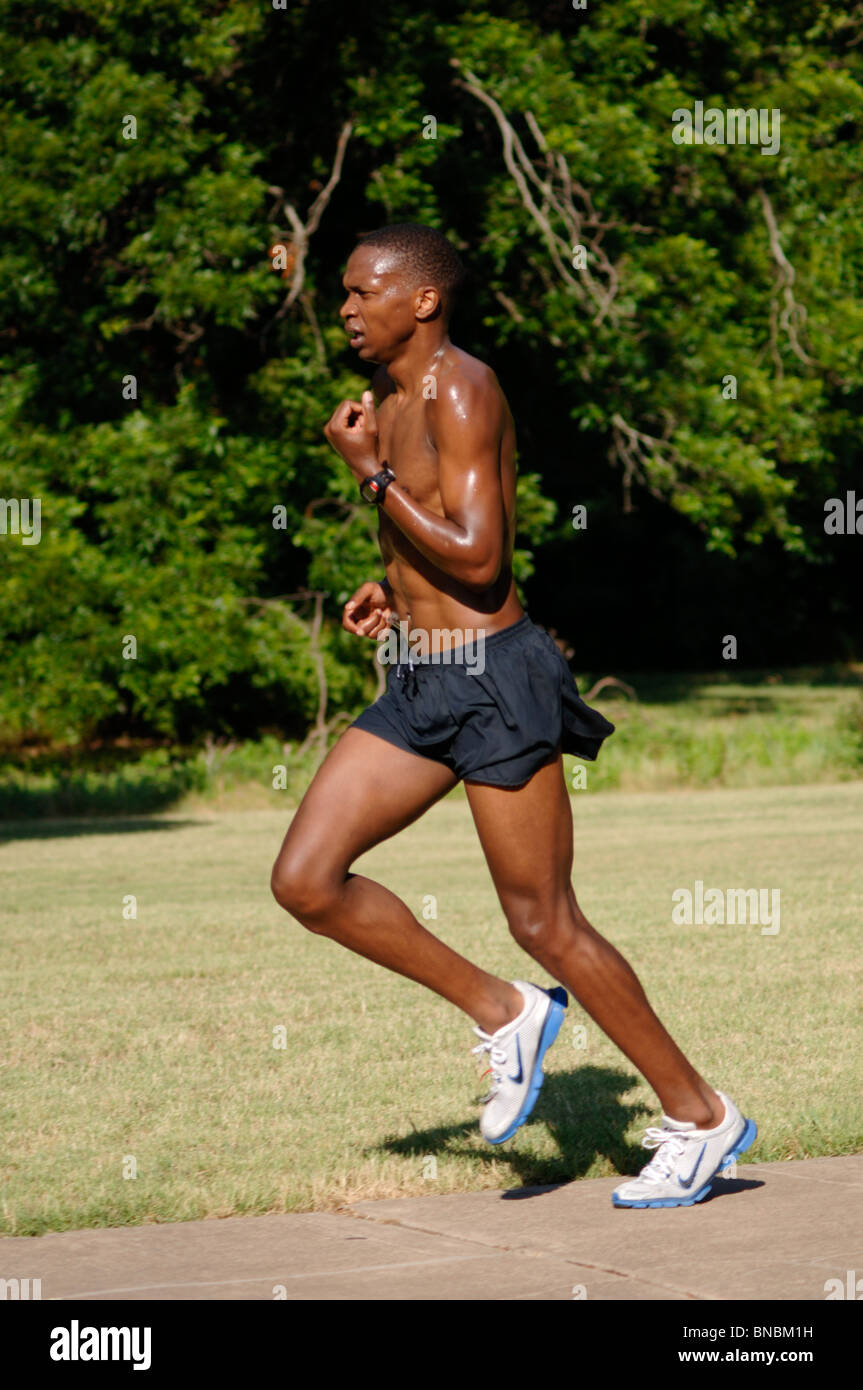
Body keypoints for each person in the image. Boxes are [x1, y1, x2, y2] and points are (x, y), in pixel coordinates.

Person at [270, 223, 756, 1208]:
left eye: (363, 291)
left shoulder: (461, 386)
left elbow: (482, 554)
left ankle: (701, 1117)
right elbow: (433, 543)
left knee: (543, 917)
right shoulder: (397, 399)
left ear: (421, 302)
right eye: (343, 292)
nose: (345, 308)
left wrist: (365, 473)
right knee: (306, 880)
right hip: (418, 676)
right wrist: (390, 590)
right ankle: (505, 1012)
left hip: (495, 678)